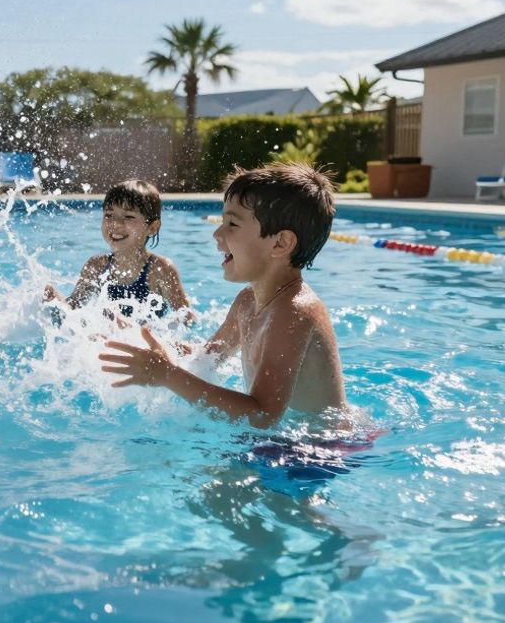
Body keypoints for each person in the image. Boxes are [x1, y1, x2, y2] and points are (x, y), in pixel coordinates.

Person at [99, 163, 353, 431]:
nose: (217, 233)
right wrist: (144, 342)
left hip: (325, 448)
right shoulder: (247, 301)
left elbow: (263, 415)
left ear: (280, 243)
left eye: (232, 223)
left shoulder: (294, 312)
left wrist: (167, 375)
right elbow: (209, 356)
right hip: (287, 442)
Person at [44, 179, 190, 319]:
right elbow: (72, 311)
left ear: (152, 227)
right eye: (109, 215)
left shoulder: (159, 269)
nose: (115, 223)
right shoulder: (96, 266)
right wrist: (55, 303)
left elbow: (186, 317)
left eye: (128, 216)